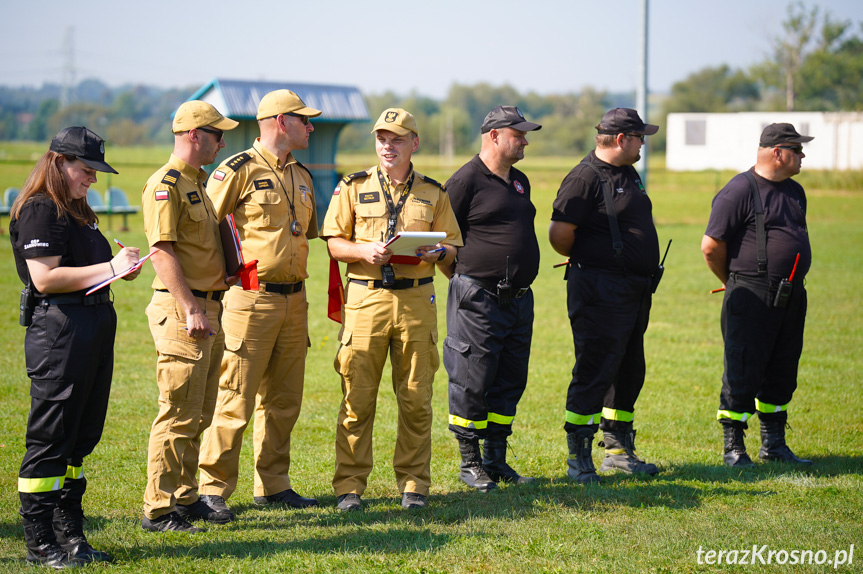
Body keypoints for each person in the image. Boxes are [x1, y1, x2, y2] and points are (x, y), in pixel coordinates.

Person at [10, 127, 141, 567]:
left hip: (91, 326)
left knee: (79, 438)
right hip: (61, 332)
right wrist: (108, 266)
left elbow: (86, 271)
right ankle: (40, 541)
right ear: (59, 163)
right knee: (51, 439)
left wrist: (117, 272)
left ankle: (71, 534)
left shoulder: (76, 210)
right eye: (86, 170)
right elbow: (44, 278)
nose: (93, 179)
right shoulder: (42, 209)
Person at [321, 108, 462, 512]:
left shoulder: (435, 192)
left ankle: (414, 486)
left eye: (397, 139)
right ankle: (349, 487)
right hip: (366, 299)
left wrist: (439, 252)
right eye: (382, 138)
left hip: (417, 299)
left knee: (416, 398)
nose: (388, 146)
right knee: (356, 397)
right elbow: (334, 243)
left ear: (414, 143)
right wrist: (364, 249)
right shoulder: (352, 185)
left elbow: (452, 247)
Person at [198, 90, 321, 516]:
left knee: (285, 400)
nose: (311, 127)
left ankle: (273, 485)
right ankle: (212, 487)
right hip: (251, 299)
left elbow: (306, 232)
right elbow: (203, 227)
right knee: (235, 396)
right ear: (281, 121)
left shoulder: (302, 175)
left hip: (294, 301)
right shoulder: (237, 169)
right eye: (304, 120)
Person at [140, 101, 238, 533]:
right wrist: (192, 307)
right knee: (177, 412)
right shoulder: (166, 185)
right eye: (217, 134)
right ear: (195, 135)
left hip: (207, 306)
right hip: (186, 309)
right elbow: (162, 252)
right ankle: (159, 509)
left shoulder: (196, 184)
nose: (222, 141)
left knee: (199, 412)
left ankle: (185, 496)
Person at [548, 108, 661, 484]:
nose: (643, 143)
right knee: (595, 368)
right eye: (639, 137)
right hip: (599, 289)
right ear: (619, 139)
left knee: (629, 369)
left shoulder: (628, 172)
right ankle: (579, 457)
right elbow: (559, 235)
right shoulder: (584, 177)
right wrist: (595, 261)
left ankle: (617, 451)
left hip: (633, 288)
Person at [701, 123, 814, 468]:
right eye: (796, 150)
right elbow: (710, 247)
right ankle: (734, 446)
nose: (802, 155)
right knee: (742, 368)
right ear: (777, 152)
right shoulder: (738, 190)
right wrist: (734, 281)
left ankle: (774, 444)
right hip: (751, 293)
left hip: (791, 294)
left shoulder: (795, 192)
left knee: (783, 367)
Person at [443, 106, 541, 492]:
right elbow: (443, 240)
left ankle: (496, 460)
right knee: (472, 378)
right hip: (478, 297)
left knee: (509, 378)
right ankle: (470, 463)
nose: (525, 141)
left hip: (517, 300)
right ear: (495, 135)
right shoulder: (465, 180)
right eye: (519, 134)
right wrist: (463, 281)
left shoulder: (520, 181)